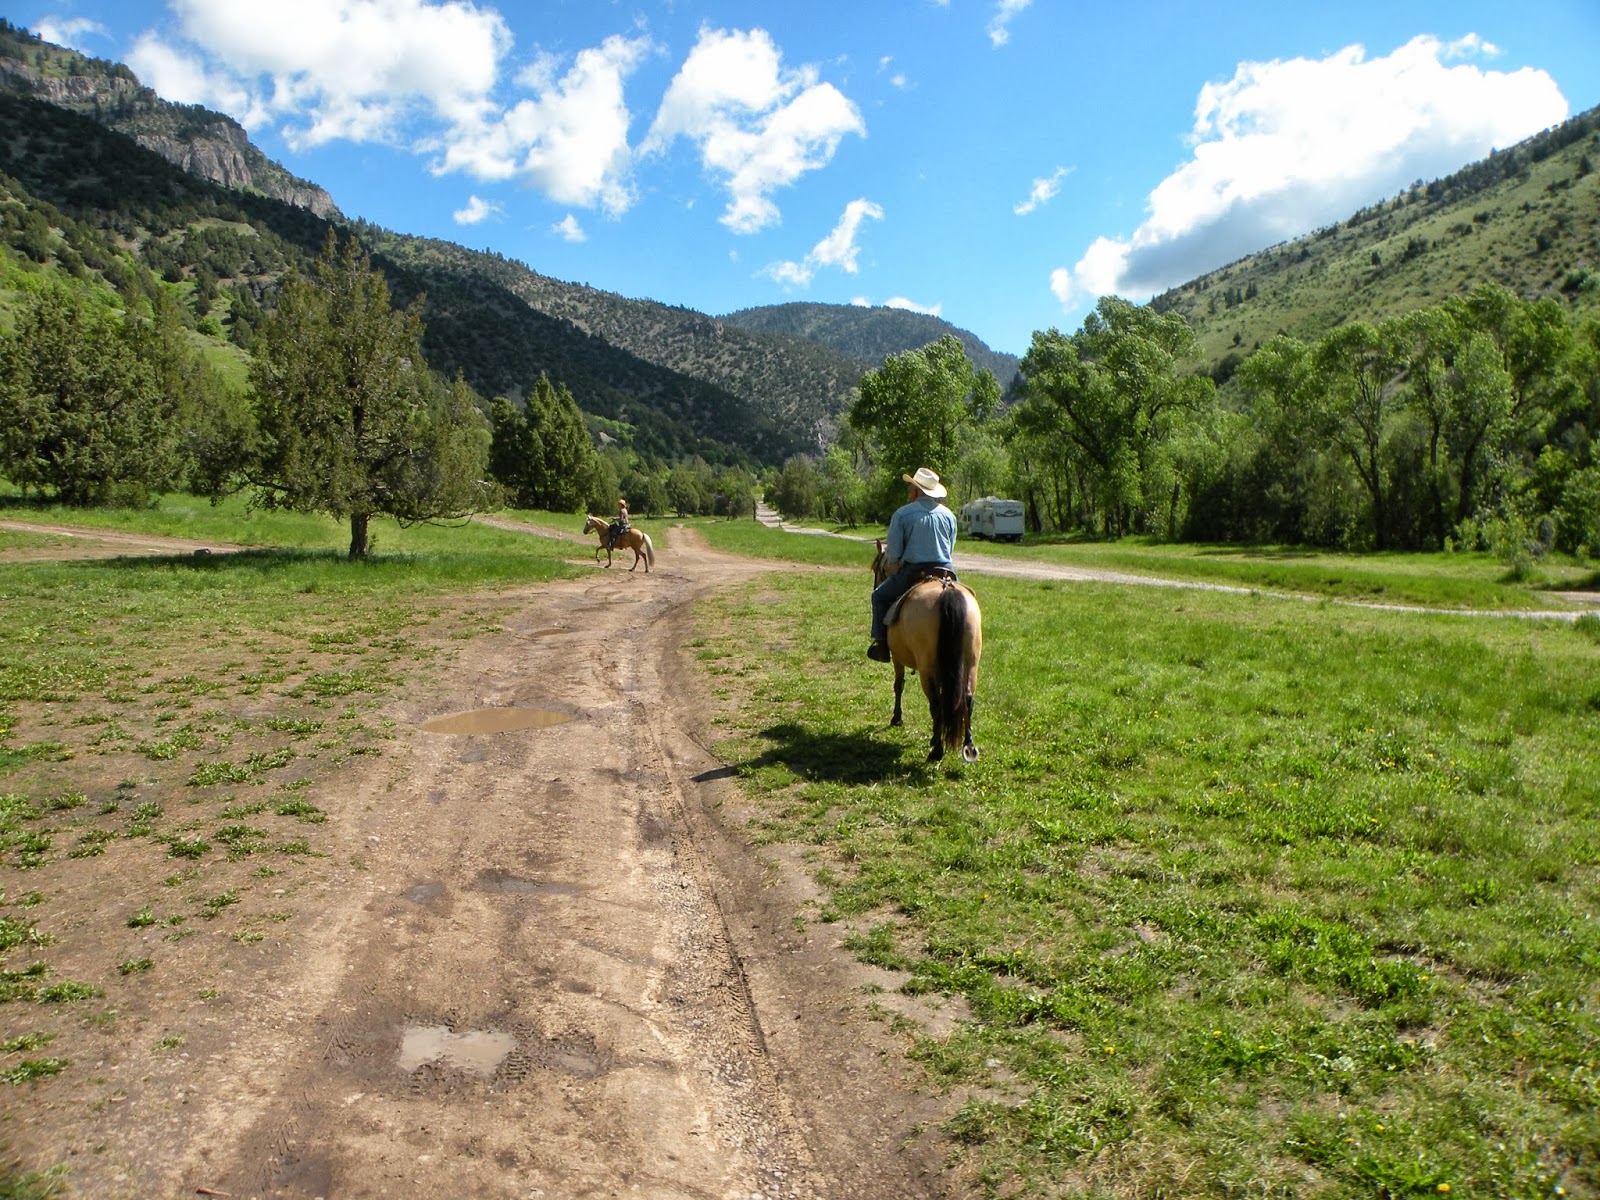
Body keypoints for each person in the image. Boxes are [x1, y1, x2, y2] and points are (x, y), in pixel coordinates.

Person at [868, 467, 957, 662]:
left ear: (916, 491)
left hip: (913, 572)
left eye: (911, 489)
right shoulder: (949, 515)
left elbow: (892, 556)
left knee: (879, 597)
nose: (910, 493)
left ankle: (881, 645)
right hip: (946, 573)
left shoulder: (902, 514)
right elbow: (949, 549)